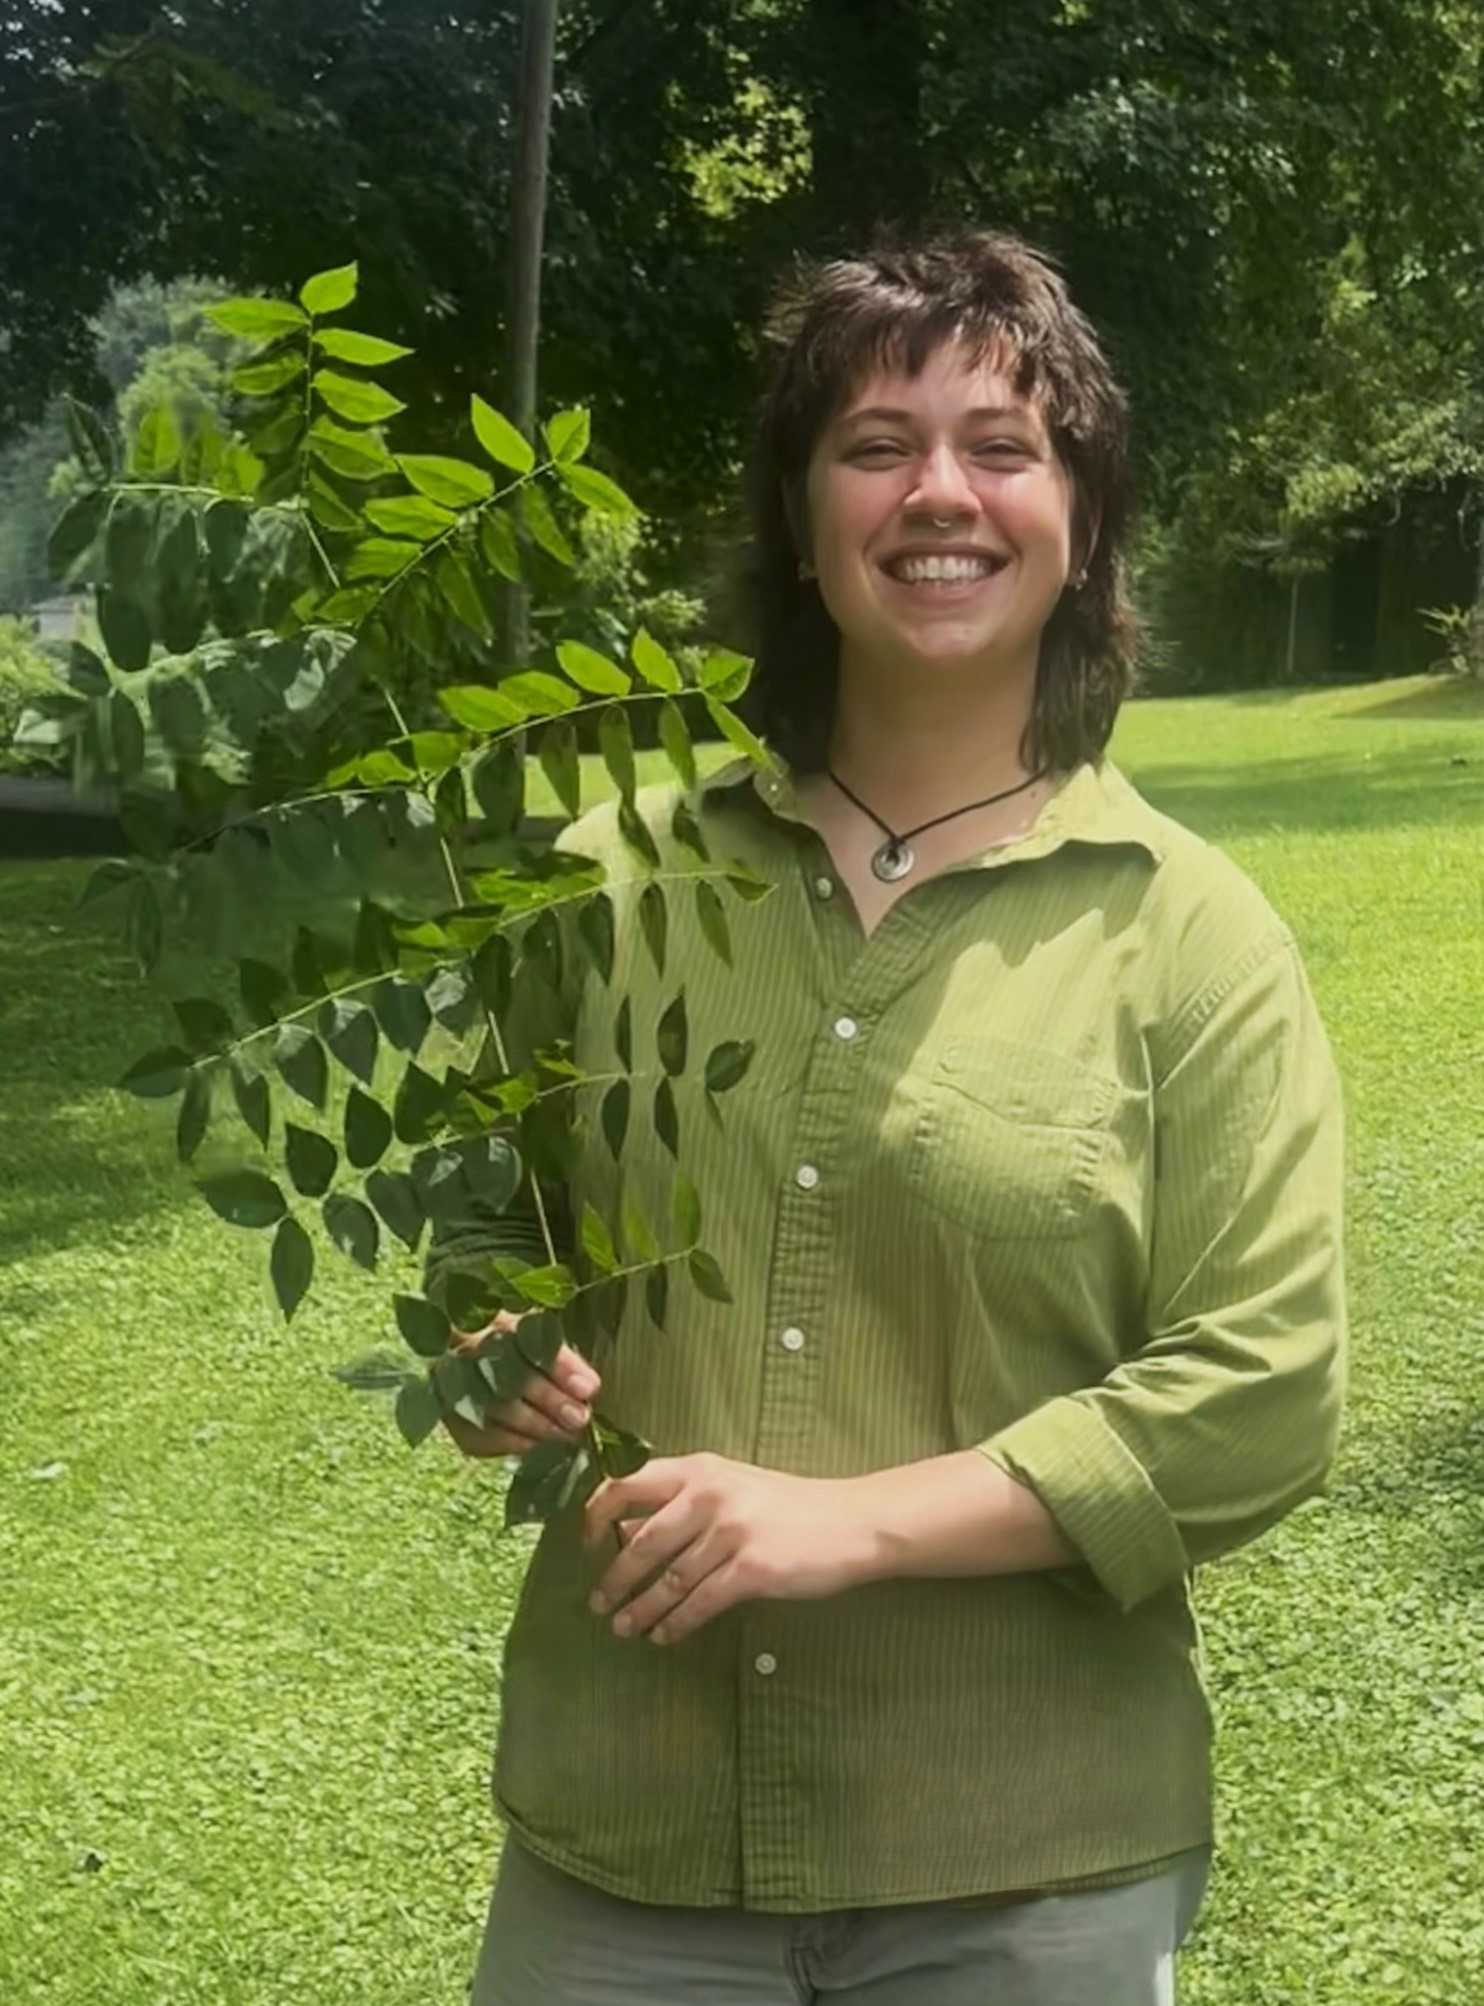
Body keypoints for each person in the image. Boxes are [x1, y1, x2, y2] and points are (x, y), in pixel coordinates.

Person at [433, 230, 1347, 2005]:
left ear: (1083, 520)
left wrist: (846, 1523)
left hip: (1026, 1864)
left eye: (1004, 446)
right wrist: (491, 1341)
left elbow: (1265, 1388)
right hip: (626, 1845)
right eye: (875, 444)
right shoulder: (601, 885)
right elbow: (488, 1220)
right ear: (798, 514)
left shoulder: (1187, 931)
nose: (942, 490)